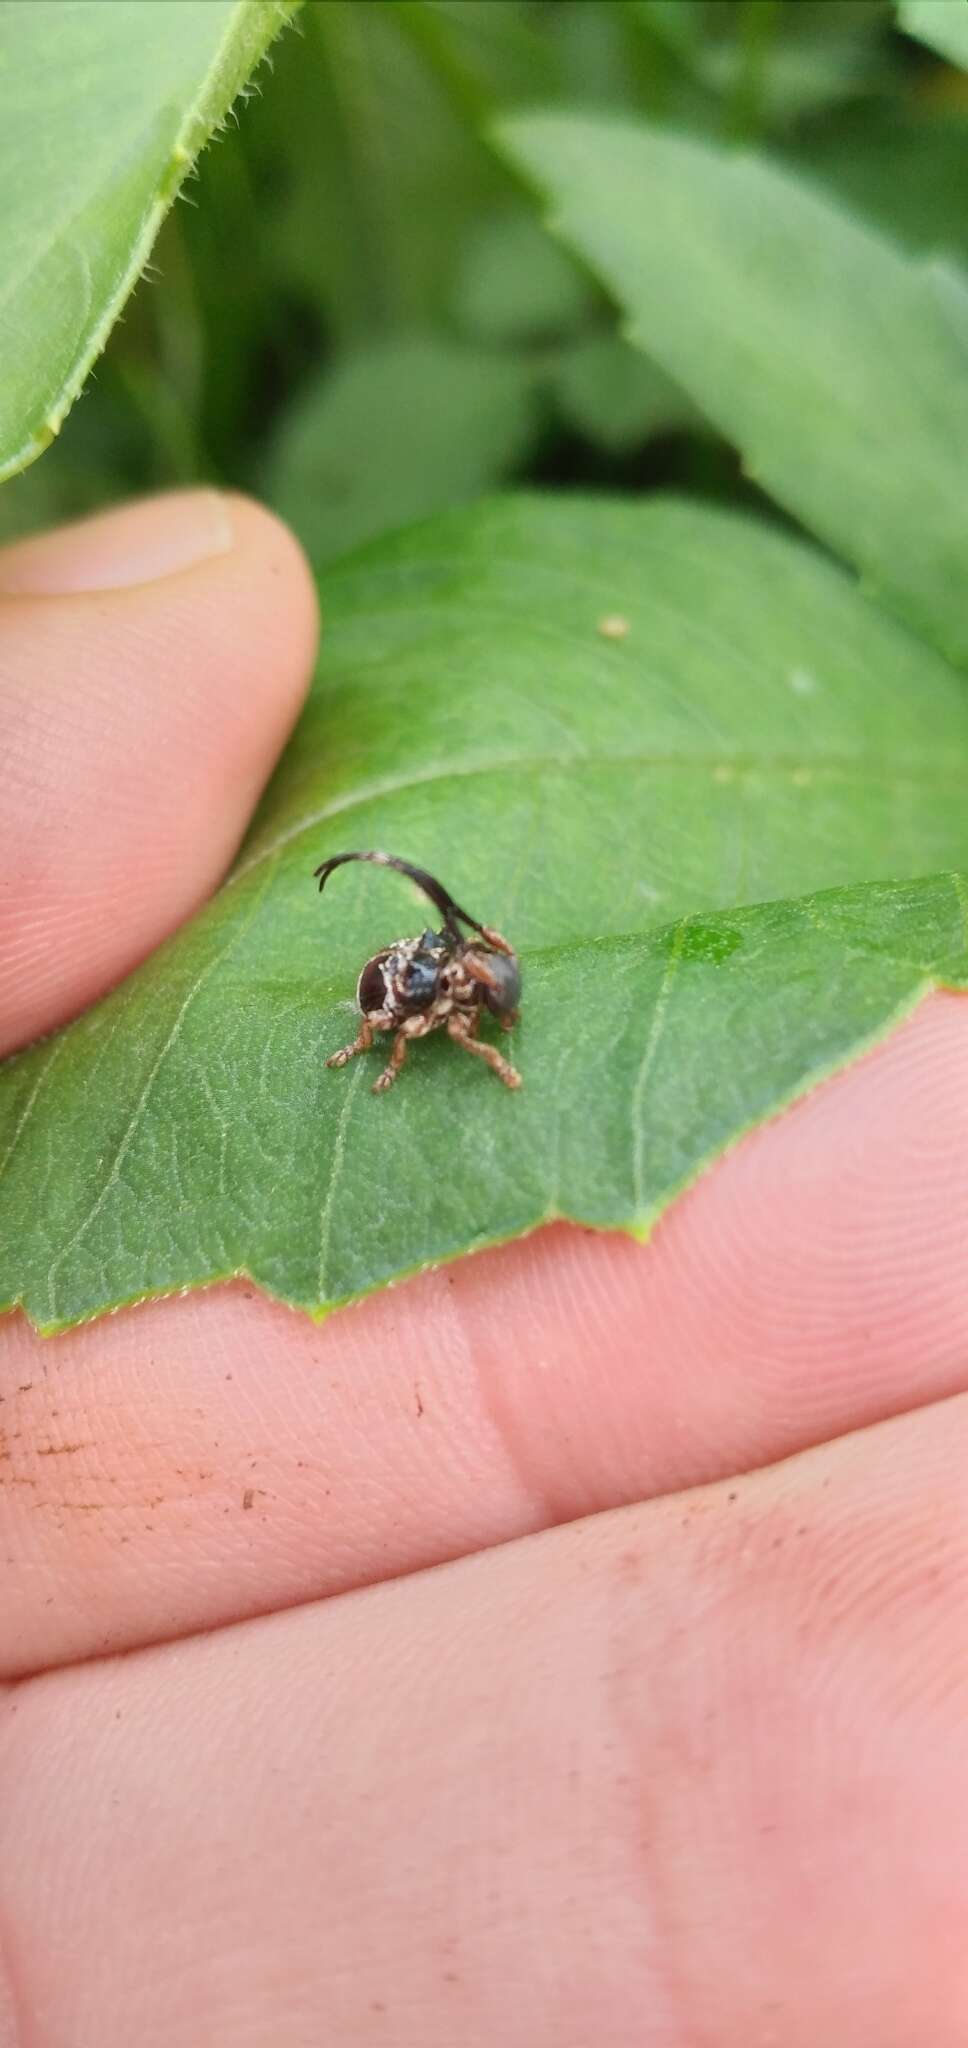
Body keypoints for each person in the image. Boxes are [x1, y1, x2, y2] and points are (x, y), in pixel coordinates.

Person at [1, 491, 967, 2045]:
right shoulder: (424, 993)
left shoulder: (471, 971)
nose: (480, 1008)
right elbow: (423, 999)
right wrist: (397, 1041)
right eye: (473, 1001)